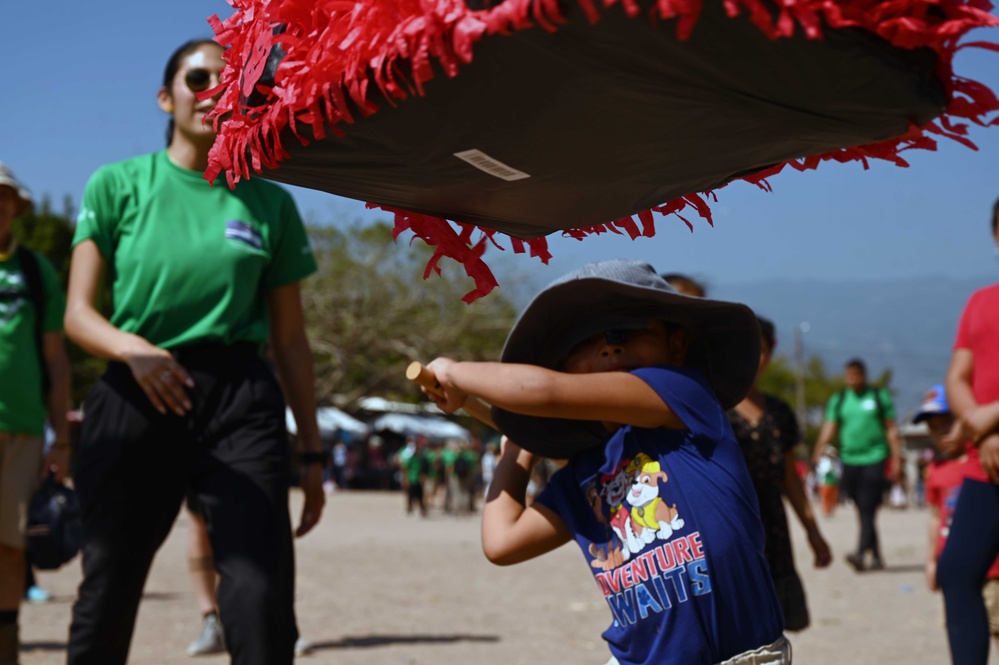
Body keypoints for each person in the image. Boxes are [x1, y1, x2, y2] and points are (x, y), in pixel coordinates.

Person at [62, 39, 325, 665]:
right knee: (110, 581)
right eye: (197, 77)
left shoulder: (271, 201)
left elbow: (290, 339)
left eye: (226, 79)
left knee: (260, 593)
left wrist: (311, 452)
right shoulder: (118, 185)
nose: (211, 90)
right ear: (165, 95)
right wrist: (134, 352)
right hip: (134, 389)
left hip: (239, 398)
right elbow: (77, 313)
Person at [424, 259, 787, 665]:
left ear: (677, 346)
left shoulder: (683, 400)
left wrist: (454, 372)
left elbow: (543, 393)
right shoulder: (584, 473)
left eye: (628, 331)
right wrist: (518, 450)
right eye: (584, 341)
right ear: (563, 366)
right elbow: (502, 543)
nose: (610, 347)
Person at [0, 162, 72, 665]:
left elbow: (56, 357)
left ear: (16, 208)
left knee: (9, 546)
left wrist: (61, 440)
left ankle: (6, 646)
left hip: (22, 432)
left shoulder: (35, 272)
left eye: (6, 197)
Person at [729, 316, 832, 632]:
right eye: (743, 349)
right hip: (733, 524)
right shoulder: (713, 408)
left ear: (770, 353)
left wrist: (813, 532)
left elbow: (790, 478)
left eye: (759, 350)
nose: (752, 359)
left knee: (775, 623)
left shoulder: (779, 411)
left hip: (773, 526)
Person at [937, 196, 999, 665]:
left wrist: (985, 419)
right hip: (986, 464)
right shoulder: (980, 302)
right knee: (957, 571)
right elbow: (957, 376)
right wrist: (982, 430)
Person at [919, 384, 999, 655]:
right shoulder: (935, 471)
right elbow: (935, 516)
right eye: (933, 427)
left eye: (947, 422)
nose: (942, 432)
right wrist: (932, 561)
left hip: (995, 571)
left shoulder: (987, 462)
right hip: (956, 569)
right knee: (964, 636)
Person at [811, 358, 903, 572]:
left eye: (856, 375)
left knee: (868, 505)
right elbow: (829, 426)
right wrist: (819, 447)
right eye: (848, 375)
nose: (852, 379)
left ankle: (860, 553)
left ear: (864, 375)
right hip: (849, 460)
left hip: (875, 457)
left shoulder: (879, 397)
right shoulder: (840, 399)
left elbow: (890, 429)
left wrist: (896, 457)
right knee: (862, 508)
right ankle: (877, 555)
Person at [814, 446, 842, 517]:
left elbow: (839, 472)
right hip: (825, 482)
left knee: (833, 497)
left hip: (834, 482)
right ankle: (826, 511)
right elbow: (821, 470)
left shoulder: (837, 461)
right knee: (825, 497)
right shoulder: (823, 460)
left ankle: (832, 511)